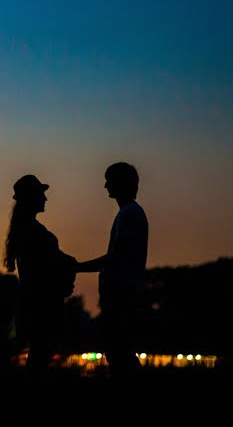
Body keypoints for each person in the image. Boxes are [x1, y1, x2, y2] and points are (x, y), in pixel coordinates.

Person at [77, 162, 148, 378]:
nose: (106, 186)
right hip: (120, 294)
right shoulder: (129, 213)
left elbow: (115, 257)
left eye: (110, 180)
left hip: (121, 295)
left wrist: (78, 267)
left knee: (120, 353)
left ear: (121, 183)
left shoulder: (129, 214)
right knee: (119, 352)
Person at [4, 174, 77, 374]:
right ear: (31, 198)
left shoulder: (27, 230)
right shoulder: (33, 232)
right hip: (42, 306)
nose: (45, 199)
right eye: (40, 194)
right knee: (39, 358)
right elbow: (48, 267)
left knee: (39, 357)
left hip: (36, 304)